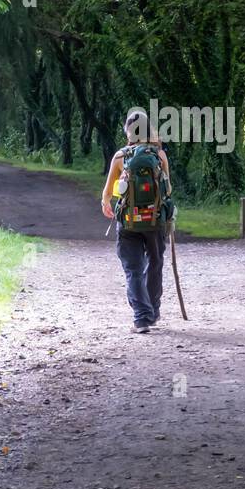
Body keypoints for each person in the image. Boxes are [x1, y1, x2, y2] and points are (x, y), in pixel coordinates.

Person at [101, 108, 172, 332]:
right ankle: (153, 311)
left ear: (128, 132)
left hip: (129, 220)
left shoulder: (121, 156)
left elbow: (108, 193)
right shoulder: (159, 155)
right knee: (155, 263)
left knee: (133, 268)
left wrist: (106, 204)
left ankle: (141, 318)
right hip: (155, 220)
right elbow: (167, 189)